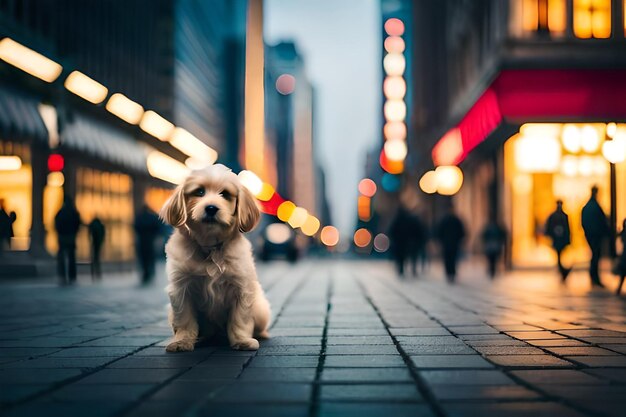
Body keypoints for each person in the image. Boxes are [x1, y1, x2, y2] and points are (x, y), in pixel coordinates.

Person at [581, 186, 609, 287]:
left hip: (591, 234)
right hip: (595, 235)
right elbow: (602, 221)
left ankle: (594, 276)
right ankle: (594, 276)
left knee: (595, 255)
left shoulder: (588, 206)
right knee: (596, 255)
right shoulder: (594, 206)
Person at [389, 206, 425, 277]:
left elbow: (392, 231)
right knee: (409, 255)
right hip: (407, 242)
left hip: (399, 242)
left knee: (400, 257)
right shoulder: (409, 220)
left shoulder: (396, 220)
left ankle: (401, 269)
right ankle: (410, 268)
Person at [435, 204, 466, 282]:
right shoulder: (456, 220)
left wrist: (440, 240)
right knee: (453, 258)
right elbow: (462, 232)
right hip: (454, 243)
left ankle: (449, 272)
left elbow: (439, 231)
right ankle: (452, 272)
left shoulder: (444, 220)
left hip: (447, 243)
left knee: (448, 258)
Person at [55, 196, 81, 285]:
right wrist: (74, 233)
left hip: (62, 237)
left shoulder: (61, 212)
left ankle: (62, 274)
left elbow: (56, 223)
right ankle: (72, 275)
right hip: (71, 237)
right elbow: (78, 224)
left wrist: (60, 233)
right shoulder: (74, 212)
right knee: (71, 257)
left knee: (62, 257)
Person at [134, 205, 162, 284]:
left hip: (142, 240)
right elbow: (158, 226)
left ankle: (146, 274)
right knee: (150, 257)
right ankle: (151, 272)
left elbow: (136, 227)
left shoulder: (139, 217)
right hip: (150, 240)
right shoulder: (152, 217)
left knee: (144, 258)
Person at [545, 200, 572, 281]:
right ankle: (564, 271)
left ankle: (564, 271)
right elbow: (549, 227)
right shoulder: (555, 216)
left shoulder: (563, 216)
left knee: (559, 257)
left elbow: (567, 229)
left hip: (561, 240)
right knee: (559, 256)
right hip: (557, 239)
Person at [615, 219, 626, 295]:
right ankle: (618, 289)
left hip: (624, 256)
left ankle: (618, 289)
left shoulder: (623, 233)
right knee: (623, 272)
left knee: (623, 273)